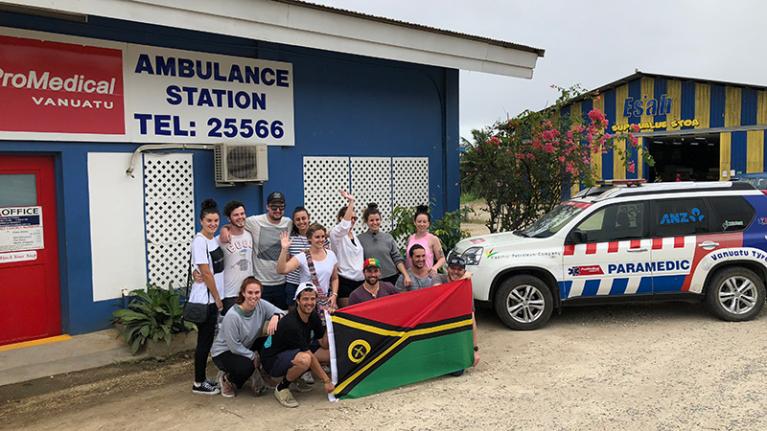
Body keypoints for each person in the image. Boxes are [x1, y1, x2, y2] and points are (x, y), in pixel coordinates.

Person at [261, 283, 334, 408]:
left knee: (329, 354)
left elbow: (324, 344)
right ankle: (282, 387)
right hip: (272, 361)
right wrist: (326, 380)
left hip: (291, 352)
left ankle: (295, 377)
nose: (309, 303)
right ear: (298, 301)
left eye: (312, 299)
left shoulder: (313, 315)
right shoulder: (291, 323)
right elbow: (309, 355)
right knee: (305, 359)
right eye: (305, 299)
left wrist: (329, 321)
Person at [211, 277, 284, 397]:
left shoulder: (261, 305)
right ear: (243, 293)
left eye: (257, 292)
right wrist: (253, 356)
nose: (254, 296)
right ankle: (227, 378)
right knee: (246, 367)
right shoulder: (233, 316)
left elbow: (283, 314)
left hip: (246, 344)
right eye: (250, 292)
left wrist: (276, 316)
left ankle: (262, 371)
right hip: (224, 352)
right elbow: (234, 346)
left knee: (272, 342)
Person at [222, 192, 292, 310]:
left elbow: (304, 229)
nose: (278, 210)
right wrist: (224, 229)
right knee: (260, 321)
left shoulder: (289, 222)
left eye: (281, 207)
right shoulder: (254, 221)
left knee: (280, 319)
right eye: (274, 207)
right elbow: (237, 222)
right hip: (260, 283)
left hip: (282, 283)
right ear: (267, 207)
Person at [189, 198, 226, 395]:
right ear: (201, 221)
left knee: (208, 340)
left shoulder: (213, 239)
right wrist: (218, 298)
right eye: (209, 221)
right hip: (207, 300)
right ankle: (198, 382)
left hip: (213, 298)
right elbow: (206, 273)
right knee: (203, 342)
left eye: (215, 221)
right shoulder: (199, 242)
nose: (213, 224)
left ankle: (202, 379)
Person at [277, 223, 339, 312]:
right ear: (309, 238)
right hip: (307, 303)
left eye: (323, 236)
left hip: (325, 302)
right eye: (317, 237)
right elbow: (281, 270)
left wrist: (334, 294)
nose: (321, 240)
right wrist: (284, 249)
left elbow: (335, 278)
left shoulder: (331, 255)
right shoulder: (302, 257)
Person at [433, 255, 480, 370]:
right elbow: (442, 294)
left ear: (464, 270)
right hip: (437, 329)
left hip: (454, 330)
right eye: (453, 268)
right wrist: (463, 279)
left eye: (460, 269)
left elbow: (472, 320)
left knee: (457, 370)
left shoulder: (466, 289)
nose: (456, 271)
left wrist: (474, 350)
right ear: (447, 268)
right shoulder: (438, 279)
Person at [358, 203, 410, 287]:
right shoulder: (360, 239)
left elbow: (397, 258)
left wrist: (406, 275)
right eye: (371, 220)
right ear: (366, 222)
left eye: (377, 220)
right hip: (371, 279)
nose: (375, 222)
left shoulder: (388, 237)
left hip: (391, 277)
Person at [330, 191, 364, 308]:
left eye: (355, 218)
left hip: (360, 280)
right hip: (345, 280)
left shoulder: (354, 235)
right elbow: (344, 226)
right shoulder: (336, 234)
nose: (353, 220)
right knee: (348, 315)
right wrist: (351, 202)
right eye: (350, 217)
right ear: (341, 218)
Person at [220, 200, 253, 315]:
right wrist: (196, 271)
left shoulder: (250, 234)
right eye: (236, 215)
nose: (240, 217)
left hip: (249, 292)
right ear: (229, 219)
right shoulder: (221, 239)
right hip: (230, 293)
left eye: (242, 213)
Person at [405, 205, 446, 276]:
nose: (421, 224)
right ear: (414, 222)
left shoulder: (433, 239)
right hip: (411, 276)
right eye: (419, 221)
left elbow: (442, 258)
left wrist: (434, 268)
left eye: (424, 222)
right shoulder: (410, 238)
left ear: (428, 223)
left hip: (426, 276)